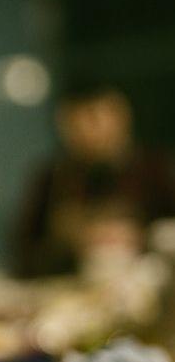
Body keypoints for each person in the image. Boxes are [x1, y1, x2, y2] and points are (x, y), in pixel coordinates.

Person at [12, 81, 175, 278]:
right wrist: (62, 242)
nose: (85, 132)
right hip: (73, 296)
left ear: (120, 115)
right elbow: (21, 256)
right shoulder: (52, 179)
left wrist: (141, 236)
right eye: (73, 123)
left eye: (93, 118)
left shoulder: (157, 170)